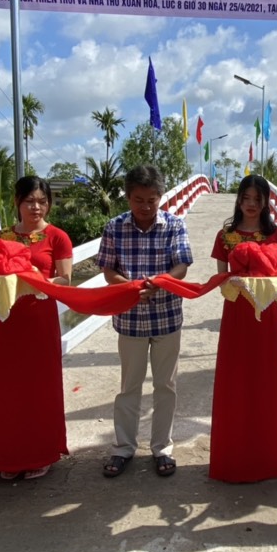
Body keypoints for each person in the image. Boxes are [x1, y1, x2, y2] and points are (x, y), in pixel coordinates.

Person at [97, 165, 193, 478]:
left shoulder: (174, 224)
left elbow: (182, 265)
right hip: (129, 319)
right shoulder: (115, 227)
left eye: (152, 199)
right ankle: (124, 448)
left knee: (166, 386)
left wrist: (160, 282)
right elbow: (108, 269)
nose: (146, 206)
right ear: (127, 197)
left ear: (160, 197)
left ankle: (162, 448)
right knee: (129, 387)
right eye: (139, 199)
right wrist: (129, 286)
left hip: (166, 317)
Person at [208, 175, 277, 482]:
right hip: (237, 315)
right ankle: (234, 456)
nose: (251, 205)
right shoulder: (226, 234)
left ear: (265, 202)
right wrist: (235, 281)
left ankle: (268, 456)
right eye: (246, 198)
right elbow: (220, 277)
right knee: (237, 382)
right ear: (239, 200)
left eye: (257, 199)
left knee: (265, 380)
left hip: (266, 315)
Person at [0, 177, 73, 481]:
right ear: (17, 202)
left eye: (41, 201)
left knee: (39, 386)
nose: (35, 207)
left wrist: (37, 279)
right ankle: (10, 456)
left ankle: (40, 453)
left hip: (39, 319)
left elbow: (65, 279)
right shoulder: (1, 236)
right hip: (7, 319)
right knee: (7, 387)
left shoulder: (57, 237)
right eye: (29, 201)